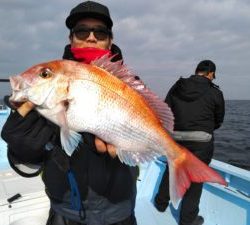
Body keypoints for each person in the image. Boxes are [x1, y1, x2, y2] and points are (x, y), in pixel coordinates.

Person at [1, 1, 138, 225]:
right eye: (82, 31)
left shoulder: (129, 86)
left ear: (110, 40)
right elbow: (28, 168)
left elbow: (144, 137)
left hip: (120, 210)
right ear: (71, 38)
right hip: (66, 211)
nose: (91, 37)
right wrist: (20, 150)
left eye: (100, 32)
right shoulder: (48, 88)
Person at [154, 60, 225, 225]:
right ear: (211, 74)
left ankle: (160, 203)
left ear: (196, 70)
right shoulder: (215, 92)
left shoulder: (178, 86)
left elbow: (166, 109)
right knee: (196, 178)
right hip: (202, 141)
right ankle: (187, 219)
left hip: (176, 137)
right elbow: (219, 120)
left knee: (171, 169)